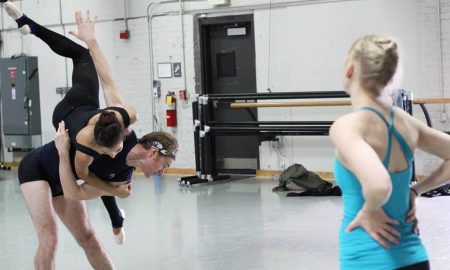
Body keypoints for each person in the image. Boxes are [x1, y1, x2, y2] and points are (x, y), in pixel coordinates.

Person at [2, 1, 136, 244]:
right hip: (66, 118)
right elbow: (82, 187)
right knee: (102, 173)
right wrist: (115, 190)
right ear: (100, 145)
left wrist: (92, 42)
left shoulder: (121, 116)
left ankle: (29, 24)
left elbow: (107, 80)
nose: (119, 151)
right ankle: (117, 221)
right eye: (116, 149)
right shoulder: (85, 149)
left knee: (83, 55)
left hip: (80, 103)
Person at [330, 35, 450, 269]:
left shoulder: (347, 126)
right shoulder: (405, 122)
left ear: (350, 69)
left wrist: (369, 210)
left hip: (367, 259)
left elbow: (379, 185)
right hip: (414, 258)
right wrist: (415, 192)